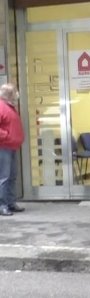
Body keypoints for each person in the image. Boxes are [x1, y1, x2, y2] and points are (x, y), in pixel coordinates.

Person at [0, 83, 24, 216]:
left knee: (12, 176)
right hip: (3, 147)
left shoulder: (10, 107)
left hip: (12, 147)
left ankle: (10, 203)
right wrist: (7, 136)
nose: (17, 94)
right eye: (15, 92)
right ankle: (2, 205)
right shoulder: (1, 107)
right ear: (9, 94)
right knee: (3, 177)